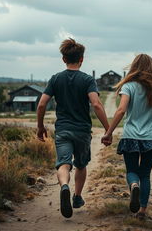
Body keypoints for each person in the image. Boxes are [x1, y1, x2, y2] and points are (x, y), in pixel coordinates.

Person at [101, 54, 152, 219]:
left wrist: (108, 132)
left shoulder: (129, 86)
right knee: (145, 174)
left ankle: (134, 185)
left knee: (132, 171)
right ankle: (142, 211)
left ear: (134, 68)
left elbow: (121, 110)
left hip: (130, 136)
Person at [37, 38, 110, 218]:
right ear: (82, 59)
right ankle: (77, 197)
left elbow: (41, 105)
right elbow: (97, 104)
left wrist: (40, 127)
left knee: (63, 163)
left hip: (62, 129)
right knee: (80, 164)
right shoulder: (87, 80)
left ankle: (64, 186)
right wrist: (108, 128)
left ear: (63, 59)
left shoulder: (55, 79)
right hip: (82, 131)